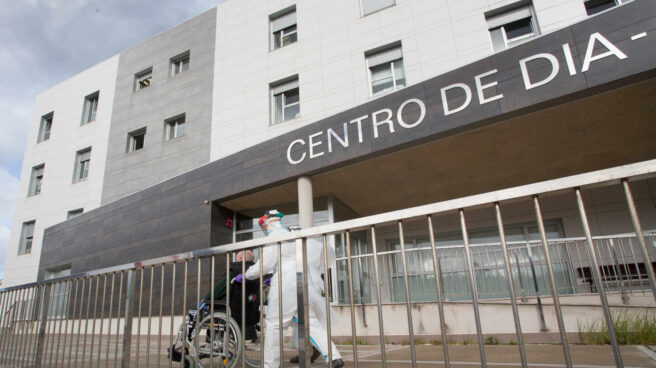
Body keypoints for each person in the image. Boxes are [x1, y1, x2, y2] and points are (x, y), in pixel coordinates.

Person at [244, 210, 343, 368]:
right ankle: (334, 356)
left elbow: (265, 265)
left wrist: (247, 274)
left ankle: (270, 365)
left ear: (267, 223)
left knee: (275, 325)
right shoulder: (295, 234)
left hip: (285, 285)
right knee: (310, 322)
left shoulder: (274, 236)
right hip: (304, 281)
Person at [205, 250, 260, 340]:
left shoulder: (235, 270)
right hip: (250, 317)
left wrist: (206, 298)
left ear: (241, 258)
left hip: (233, 314)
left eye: (236, 257)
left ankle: (208, 341)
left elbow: (218, 290)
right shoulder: (256, 274)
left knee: (199, 310)